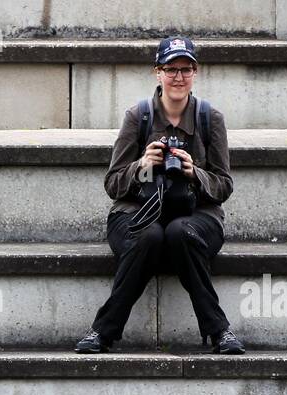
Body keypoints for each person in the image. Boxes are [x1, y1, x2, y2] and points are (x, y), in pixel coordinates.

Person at [75, 36, 245, 355]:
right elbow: (113, 184)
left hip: (196, 218)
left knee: (181, 232)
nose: (178, 77)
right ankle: (103, 331)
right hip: (137, 214)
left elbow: (224, 186)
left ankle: (218, 330)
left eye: (186, 69)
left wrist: (195, 172)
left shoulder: (211, 119)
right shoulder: (137, 117)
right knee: (150, 236)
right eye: (171, 69)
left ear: (196, 72)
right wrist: (142, 165)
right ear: (158, 72)